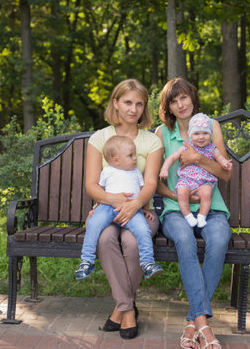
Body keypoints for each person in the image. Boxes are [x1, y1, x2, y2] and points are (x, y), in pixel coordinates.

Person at [155, 77, 232, 349]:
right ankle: (203, 326)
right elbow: (155, 180)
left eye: (183, 97)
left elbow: (225, 173)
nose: (180, 104)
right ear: (168, 107)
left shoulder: (211, 126)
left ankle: (193, 322)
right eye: (173, 101)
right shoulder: (162, 133)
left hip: (212, 208)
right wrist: (177, 195)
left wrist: (199, 159)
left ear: (192, 97)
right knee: (185, 241)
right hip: (177, 209)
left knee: (221, 239)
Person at [84, 78, 163, 340]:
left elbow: (150, 184)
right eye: (128, 102)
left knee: (132, 242)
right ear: (115, 103)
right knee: (105, 238)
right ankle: (128, 309)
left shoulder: (151, 141)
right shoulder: (99, 138)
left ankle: (120, 309)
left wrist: (134, 206)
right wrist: (116, 202)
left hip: (142, 212)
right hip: (107, 211)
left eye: (139, 104)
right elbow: (92, 186)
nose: (133, 109)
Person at [76, 135, 164, 280]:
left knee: (143, 230)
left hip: (132, 210)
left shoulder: (136, 173)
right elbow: (100, 191)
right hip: (107, 207)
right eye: (130, 155)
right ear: (115, 160)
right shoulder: (107, 172)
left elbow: (143, 191)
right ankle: (87, 260)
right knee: (93, 224)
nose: (135, 158)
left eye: (135, 154)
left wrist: (145, 209)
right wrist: (97, 207)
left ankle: (147, 263)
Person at [159, 113, 232, 228]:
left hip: (204, 182)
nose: (201, 137)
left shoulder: (212, 148)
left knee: (207, 192)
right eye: (197, 134)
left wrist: (225, 164)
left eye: (205, 133)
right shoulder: (186, 147)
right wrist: (164, 169)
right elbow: (172, 158)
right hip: (186, 181)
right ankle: (188, 216)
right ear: (190, 136)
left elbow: (220, 159)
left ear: (210, 135)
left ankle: (202, 217)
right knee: (182, 191)